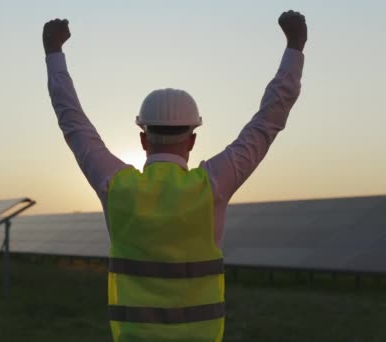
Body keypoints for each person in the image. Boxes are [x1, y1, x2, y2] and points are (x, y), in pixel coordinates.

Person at [43, 10, 306, 342]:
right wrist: (295, 47)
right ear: (192, 139)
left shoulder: (117, 187)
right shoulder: (211, 186)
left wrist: (54, 53)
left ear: (142, 138)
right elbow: (268, 121)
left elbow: (72, 123)